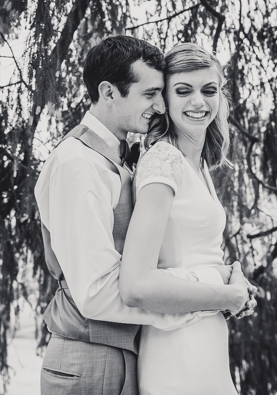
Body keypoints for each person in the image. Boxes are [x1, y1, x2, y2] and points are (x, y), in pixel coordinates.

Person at [35, 35, 254, 395]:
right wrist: (214, 296)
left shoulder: (126, 156)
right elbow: (96, 293)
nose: (160, 105)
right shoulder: (76, 164)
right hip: (88, 359)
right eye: (150, 94)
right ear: (108, 92)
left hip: (126, 351)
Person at [120, 43, 256, 395]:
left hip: (206, 338)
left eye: (209, 90)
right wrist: (227, 295)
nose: (199, 102)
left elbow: (194, 254)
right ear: (164, 99)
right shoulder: (162, 161)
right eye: (183, 91)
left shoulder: (196, 164)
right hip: (178, 345)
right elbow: (137, 285)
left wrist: (233, 282)